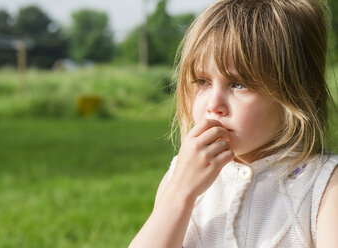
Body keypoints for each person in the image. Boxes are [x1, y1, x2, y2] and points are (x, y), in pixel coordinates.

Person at [129, 0, 338, 247]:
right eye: (203, 81)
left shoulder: (324, 186)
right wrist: (181, 193)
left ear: (302, 92)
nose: (213, 104)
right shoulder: (180, 176)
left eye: (239, 84)